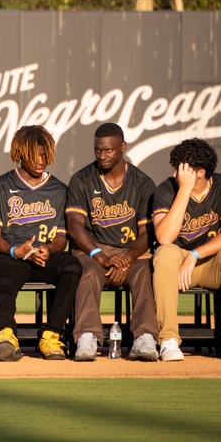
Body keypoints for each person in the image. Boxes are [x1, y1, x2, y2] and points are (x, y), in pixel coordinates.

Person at [0, 125, 81, 361]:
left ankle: (51, 336)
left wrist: (49, 248)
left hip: (45, 257)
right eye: (34, 154)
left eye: (45, 154)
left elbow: (61, 238)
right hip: (13, 255)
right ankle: (5, 336)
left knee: (72, 267)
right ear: (19, 153)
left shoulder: (59, 190)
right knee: (0, 273)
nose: (40, 160)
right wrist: (16, 250)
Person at [66, 122, 159, 362]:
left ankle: (145, 337)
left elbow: (147, 232)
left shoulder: (142, 182)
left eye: (108, 150)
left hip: (130, 252)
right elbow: (75, 226)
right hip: (92, 251)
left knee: (143, 274)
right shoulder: (82, 179)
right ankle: (87, 336)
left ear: (123, 147)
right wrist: (102, 257)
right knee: (87, 273)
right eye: (98, 150)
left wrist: (126, 260)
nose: (102, 155)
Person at [151, 138, 221, 362]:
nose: (175, 173)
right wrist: (184, 190)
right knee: (165, 253)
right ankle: (169, 339)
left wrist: (195, 254)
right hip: (176, 264)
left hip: (210, 262)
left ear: (200, 173)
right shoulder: (166, 189)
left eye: (182, 168)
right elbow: (164, 237)